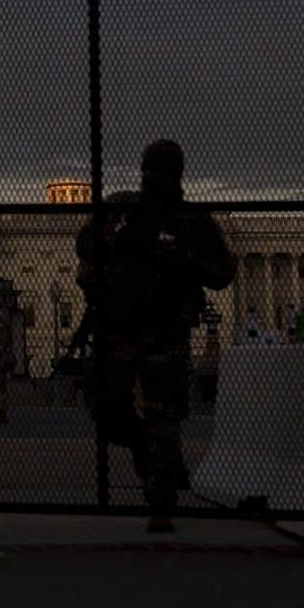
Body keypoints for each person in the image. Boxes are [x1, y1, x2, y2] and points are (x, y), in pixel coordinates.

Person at [75, 139, 235, 534]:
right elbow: (85, 245)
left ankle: (161, 501)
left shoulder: (190, 220)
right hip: (119, 329)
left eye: (160, 170)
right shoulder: (123, 209)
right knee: (107, 407)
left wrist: (182, 261)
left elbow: (222, 272)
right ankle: (149, 455)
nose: (154, 178)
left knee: (163, 416)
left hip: (165, 331)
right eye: (150, 170)